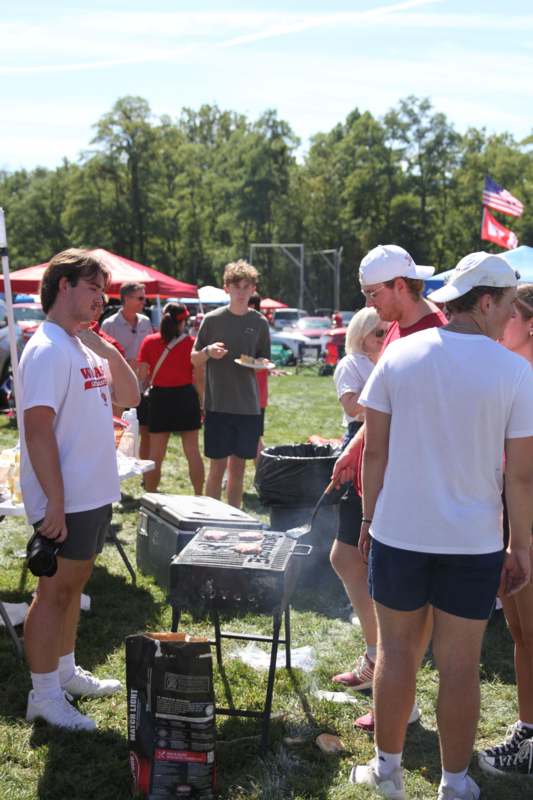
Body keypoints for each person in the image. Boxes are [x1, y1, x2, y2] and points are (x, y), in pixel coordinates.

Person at [351, 253, 533, 800]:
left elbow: (374, 452)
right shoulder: (514, 371)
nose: (512, 314)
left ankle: (388, 771)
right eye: (507, 302)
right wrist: (518, 545)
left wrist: (367, 519)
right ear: (484, 301)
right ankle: (453, 782)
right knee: (460, 665)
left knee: (396, 652)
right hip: (472, 543)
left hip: (400, 533)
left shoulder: (400, 353)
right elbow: (521, 477)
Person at [20, 249, 139, 731]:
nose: (100, 301)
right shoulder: (47, 346)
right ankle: (43, 695)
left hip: (92, 494)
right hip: (65, 501)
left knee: (73, 590)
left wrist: (105, 345)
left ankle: (65, 673)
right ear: (63, 285)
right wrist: (56, 502)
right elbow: (37, 429)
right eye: (93, 289)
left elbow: (130, 396)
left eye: (103, 294)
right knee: (52, 595)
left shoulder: (80, 345)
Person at [332, 244, 447, 732]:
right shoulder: (398, 327)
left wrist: (372, 501)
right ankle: (378, 661)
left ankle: (397, 692)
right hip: (377, 467)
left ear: (401, 286)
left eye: (372, 293)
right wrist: (353, 450)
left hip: (404, 479)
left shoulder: (436, 333)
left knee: (403, 600)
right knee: (346, 558)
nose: (369, 305)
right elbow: (379, 405)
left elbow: (420, 422)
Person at [478, 283, 533, 779]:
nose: (497, 323)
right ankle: (528, 731)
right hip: (510, 514)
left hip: (529, 519)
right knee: (520, 632)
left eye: (507, 315)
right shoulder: (511, 375)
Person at [330, 308, 388, 690]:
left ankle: (378, 653)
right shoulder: (351, 364)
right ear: (361, 334)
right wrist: (389, 401)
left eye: (386, 332)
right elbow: (353, 408)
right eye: (377, 332)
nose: (383, 337)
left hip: (379, 453)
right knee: (348, 554)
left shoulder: (391, 358)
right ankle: (378, 648)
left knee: (355, 555)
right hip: (363, 450)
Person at [191, 260, 270, 508]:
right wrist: (207, 350)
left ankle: (232, 520)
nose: (242, 291)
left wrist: (261, 364)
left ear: (253, 289)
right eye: (237, 286)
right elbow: (194, 359)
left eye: (247, 286)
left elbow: (264, 359)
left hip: (248, 407)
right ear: (227, 288)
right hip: (218, 406)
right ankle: (210, 519)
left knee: (238, 470)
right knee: (217, 468)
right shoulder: (212, 320)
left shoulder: (259, 322)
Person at [138, 303, 204, 494]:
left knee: (155, 454)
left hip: (159, 399)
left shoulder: (149, 341)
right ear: (182, 322)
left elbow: (142, 374)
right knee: (192, 452)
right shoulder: (191, 344)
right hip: (185, 397)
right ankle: (199, 495)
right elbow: (198, 378)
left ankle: (150, 495)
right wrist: (203, 402)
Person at [101, 281, 152, 457]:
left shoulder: (145, 321)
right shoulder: (109, 324)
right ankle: (113, 457)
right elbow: (101, 356)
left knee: (143, 429)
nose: (144, 302)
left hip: (142, 384)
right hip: (118, 384)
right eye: (140, 298)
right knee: (116, 423)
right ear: (126, 299)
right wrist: (124, 363)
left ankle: (139, 463)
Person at [248, 292, 269, 460]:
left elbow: (264, 361)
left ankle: (263, 475)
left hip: (255, 394)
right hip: (247, 394)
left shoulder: (259, 326)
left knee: (255, 438)